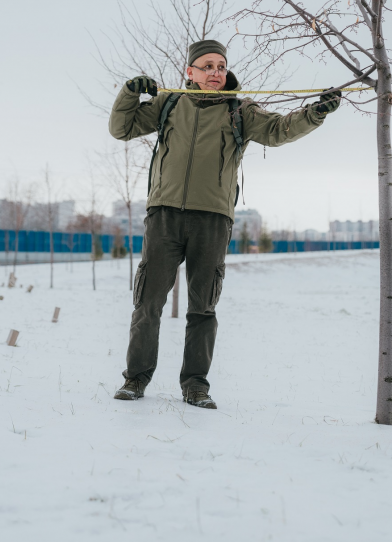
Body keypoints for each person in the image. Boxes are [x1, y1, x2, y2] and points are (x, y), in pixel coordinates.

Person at [108, 39, 340, 409]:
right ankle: (135, 379)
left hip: (213, 220)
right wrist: (129, 93)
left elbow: (279, 130)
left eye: (221, 66)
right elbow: (122, 129)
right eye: (208, 66)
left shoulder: (240, 109)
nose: (216, 72)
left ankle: (196, 385)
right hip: (164, 216)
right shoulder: (168, 104)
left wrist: (315, 112)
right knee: (147, 303)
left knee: (203, 307)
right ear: (190, 72)